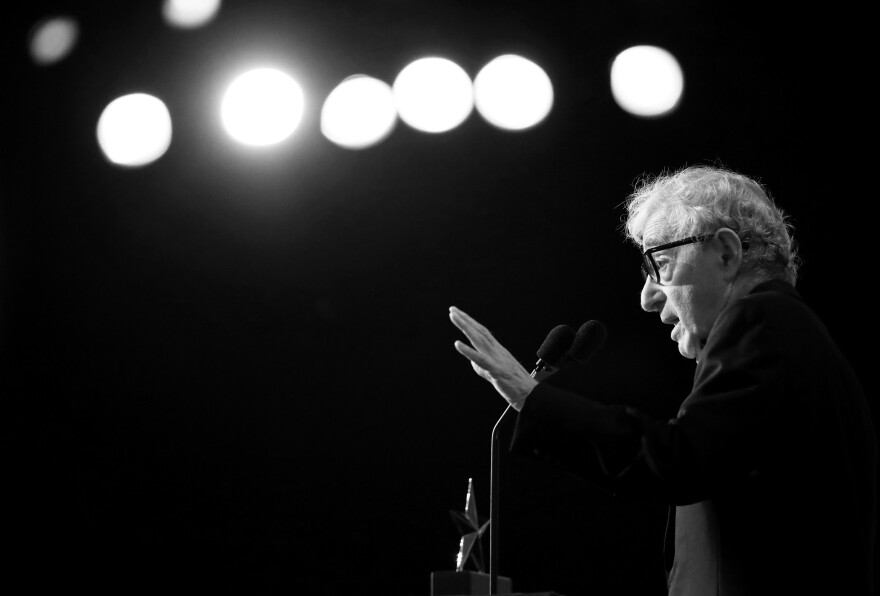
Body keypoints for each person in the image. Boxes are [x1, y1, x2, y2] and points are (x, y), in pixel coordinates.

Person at [449, 164, 876, 596]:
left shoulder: (760, 320)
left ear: (726, 255)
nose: (648, 298)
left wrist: (532, 398)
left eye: (662, 264)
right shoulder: (793, 335)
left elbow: (678, 461)